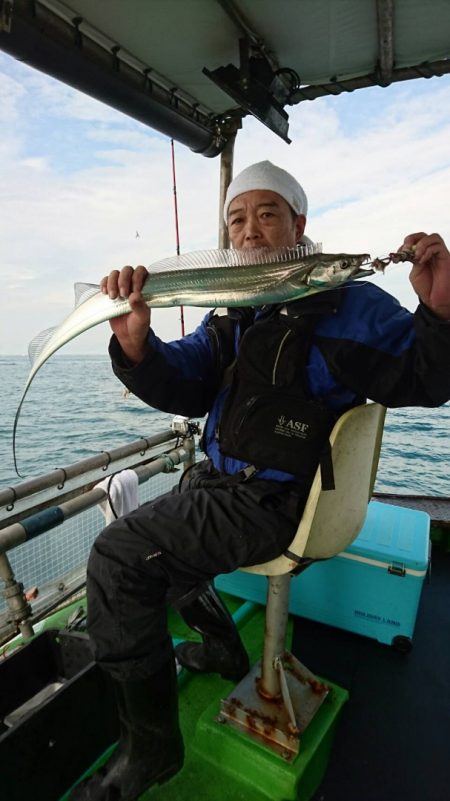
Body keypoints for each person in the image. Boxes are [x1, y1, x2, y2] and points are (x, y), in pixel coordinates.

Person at [70, 161, 450, 801]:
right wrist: (138, 348)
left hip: (274, 501)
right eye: (236, 219)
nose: (248, 232)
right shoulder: (237, 311)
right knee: (178, 517)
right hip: (222, 485)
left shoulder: (347, 304)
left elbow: (424, 377)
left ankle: (151, 750)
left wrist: (439, 316)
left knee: (119, 558)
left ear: (299, 226)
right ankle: (223, 648)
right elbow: (187, 381)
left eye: (266, 214)